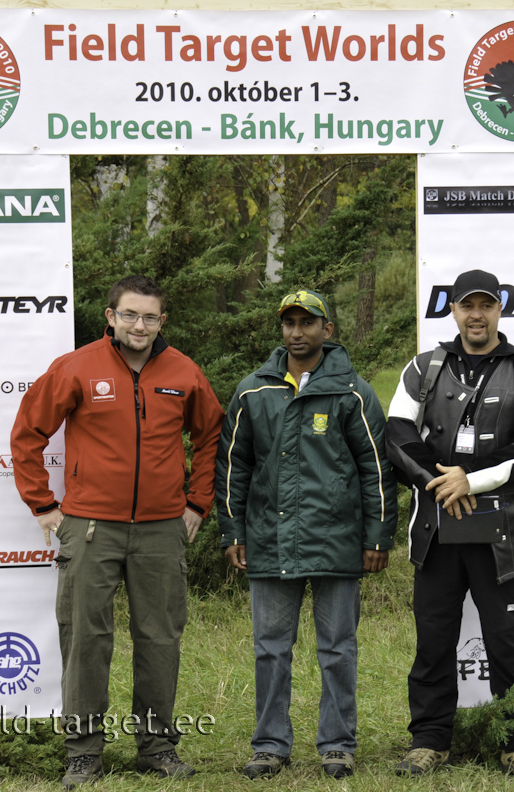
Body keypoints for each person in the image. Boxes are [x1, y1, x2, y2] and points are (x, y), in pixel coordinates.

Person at [11, 275, 224, 789]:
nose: (139, 325)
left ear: (162, 322)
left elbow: (211, 432)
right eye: (130, 315)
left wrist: (198, 502)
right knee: (86, 639)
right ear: (111, 316)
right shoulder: (76, 368)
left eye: (150, 317)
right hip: (89, 529)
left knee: (159, 639)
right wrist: (43, 505)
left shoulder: (183, 372)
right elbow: (28, 432)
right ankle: (83, 753)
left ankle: (156, 748)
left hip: (160, 530)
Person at [385, 269, 514, 780]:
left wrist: (473, 480)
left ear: (500, 310)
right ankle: (430, 740)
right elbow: (397, 433)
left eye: (486, 305)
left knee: (508, 640)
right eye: (467, 306)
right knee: (433, 638)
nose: (476, 314)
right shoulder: (423, 367)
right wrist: (441, 484)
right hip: (438, 528)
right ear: (454, 311)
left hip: (504, 530)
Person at [215, 289, 397, 779]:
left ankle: (337, 744)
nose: (297, 332)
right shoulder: (254, 390)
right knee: (270, 646)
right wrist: (233, 530)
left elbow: (376, 468)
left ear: (327, 330)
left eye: (307, 323)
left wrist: (378, 538)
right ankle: (270, 744)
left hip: (337, 542)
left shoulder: (353, 392)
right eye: (289, 324)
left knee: (338, 647)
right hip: (269, 542)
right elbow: (234, 466)